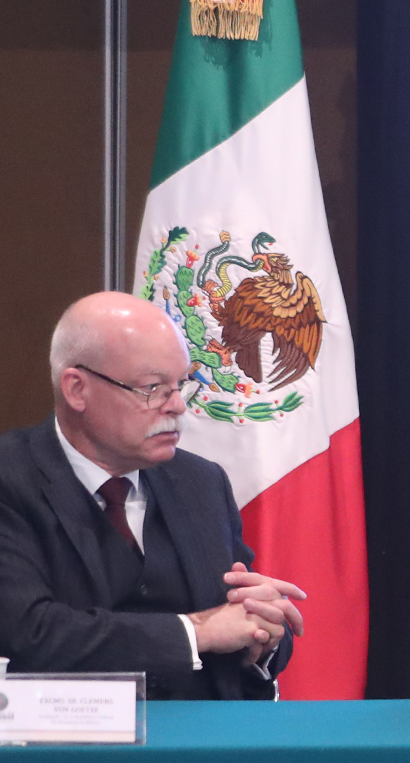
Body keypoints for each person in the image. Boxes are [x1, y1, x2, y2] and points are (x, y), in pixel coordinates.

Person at [0, 292, 303, 697]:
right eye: (153, 387)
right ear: (77, 389)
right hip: (65, 732)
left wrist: (261, 633)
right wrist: (196, 632)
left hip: (204, 731)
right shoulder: (11, 478)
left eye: (181, 385)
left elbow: (235, 619)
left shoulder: (202, 481)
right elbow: (27, 634)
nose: (177, 406)